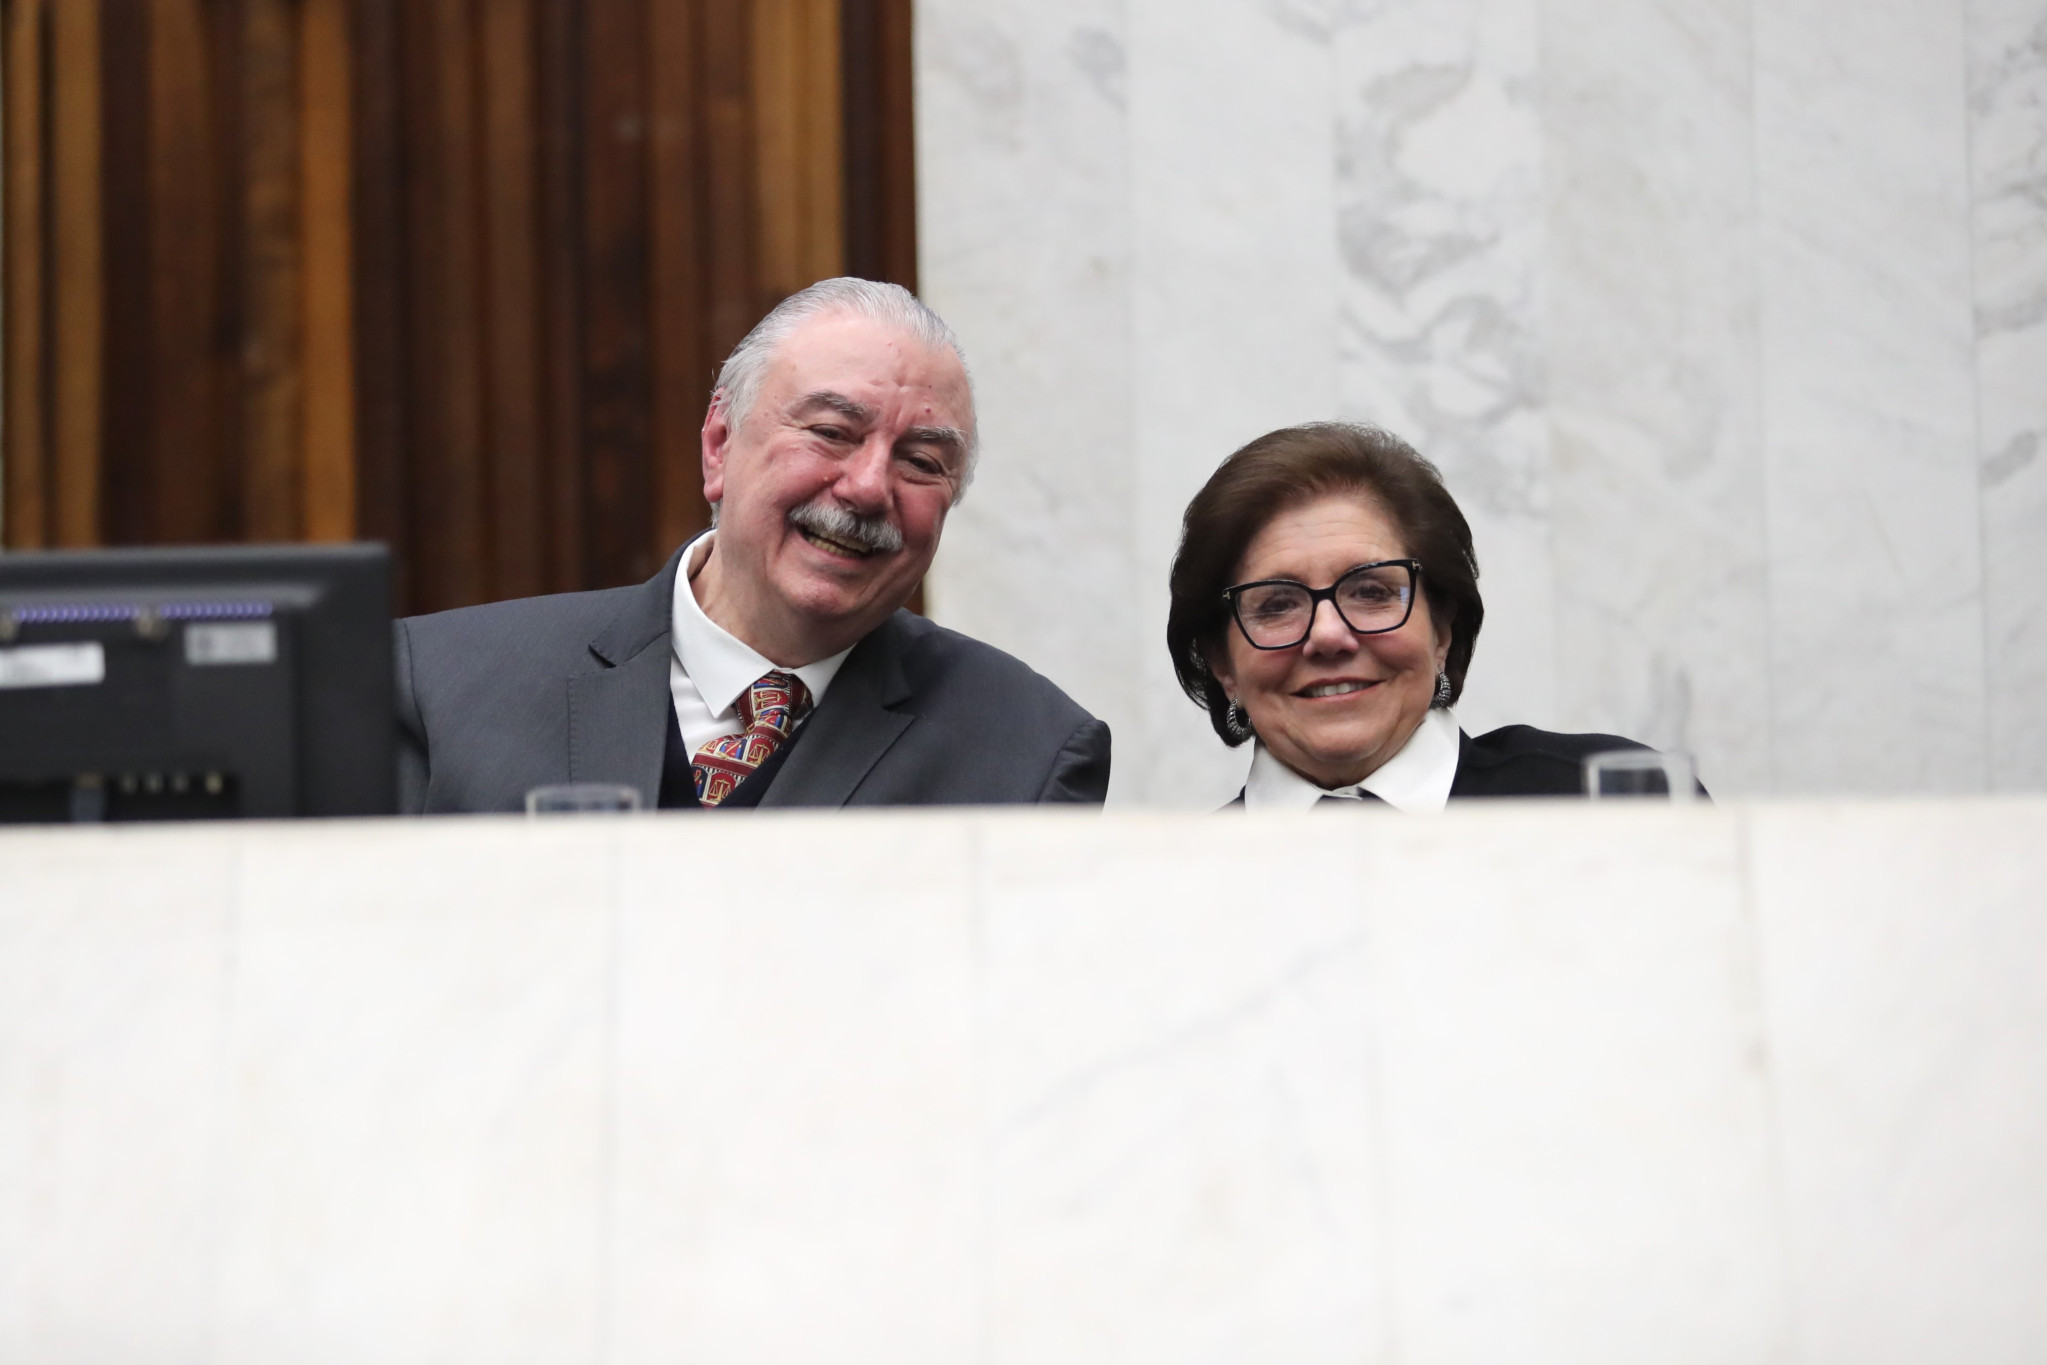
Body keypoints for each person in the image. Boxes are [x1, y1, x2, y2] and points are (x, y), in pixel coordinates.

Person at [396, 278, 1109, 812]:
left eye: (921, 461)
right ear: (718, 444)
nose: (866, 487)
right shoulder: (442, 686)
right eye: (831, 432)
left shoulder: (1029, 754)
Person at [1166, 422, 1676, 809]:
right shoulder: (1164, 893)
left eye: (1370, 591)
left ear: (1442, 631)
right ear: (1221, 663)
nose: (1328, 635)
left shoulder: (1606, 803)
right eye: (1276, 605)